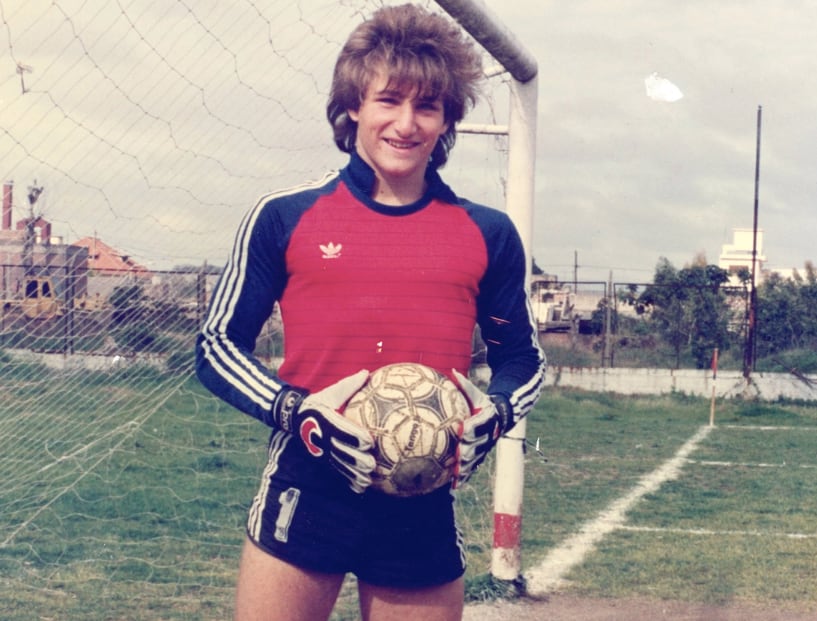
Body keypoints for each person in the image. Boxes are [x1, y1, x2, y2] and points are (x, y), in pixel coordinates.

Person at [196, 4, 546, 620]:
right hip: (308, 488)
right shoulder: (284, 216)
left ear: (447, 121)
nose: (406, 124)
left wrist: (498, 411)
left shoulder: (486, 233)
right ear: (354, 104)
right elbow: (217, 344)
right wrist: (297, 410)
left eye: (427, 106)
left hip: (423, 503)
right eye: (389, 100)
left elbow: (522, 358)